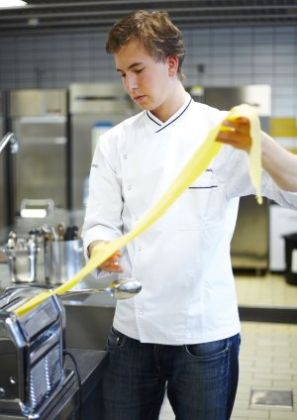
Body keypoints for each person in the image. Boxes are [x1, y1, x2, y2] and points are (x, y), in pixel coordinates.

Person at [82, 10, 297, 420]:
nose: (129, 84)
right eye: (122, 73)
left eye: (138, 70)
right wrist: (100, 245)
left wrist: (263, 146)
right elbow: (100, 221)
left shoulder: (223, 133)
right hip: (133, 333)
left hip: (204, 337)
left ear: (172, 63)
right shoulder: (115, 143)